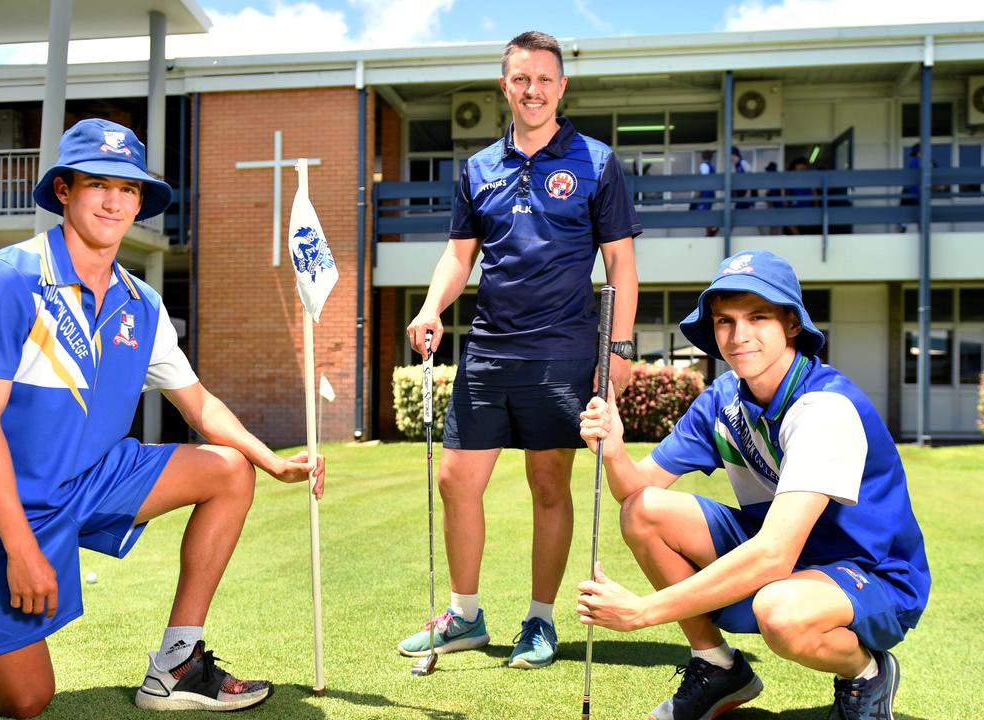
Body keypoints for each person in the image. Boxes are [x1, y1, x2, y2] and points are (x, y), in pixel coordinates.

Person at [0, 119, 325, 718]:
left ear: (140, 202)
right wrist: (20, 548)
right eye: (98, 183)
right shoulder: (7, 281)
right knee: (24, 700)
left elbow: (197, 403)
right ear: (64, 191)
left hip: (87, 478)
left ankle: (178, 665)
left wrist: (270, 459)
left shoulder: (141, 304)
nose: (114, 199)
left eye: (128, 188)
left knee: (230, 469)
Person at [576, 250, 930, 720]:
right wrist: (616, 448)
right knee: (643, 509)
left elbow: (773, 556)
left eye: (757, 316)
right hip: (787, 557)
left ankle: (866, 673)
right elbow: (635, 490)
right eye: (724, 320)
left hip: (871, 573)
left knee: (780, 611)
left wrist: (643, 612)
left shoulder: (825, 407)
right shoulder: (722, 398)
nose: (738, 335)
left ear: (791, 325)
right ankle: (717, 666)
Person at [399, 30, 640, 670]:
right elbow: (459, 255)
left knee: (549, 484)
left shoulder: (597, 161)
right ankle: (465, 617)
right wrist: (430, 309)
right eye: (520, 79)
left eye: (544, 79)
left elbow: (622, 264)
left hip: (562, 353)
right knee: (456, 479)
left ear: (561, 87)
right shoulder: (478, 168)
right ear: (504, 86)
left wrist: (616, 350)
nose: (532, 90)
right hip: (489, 351)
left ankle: (540, 621)